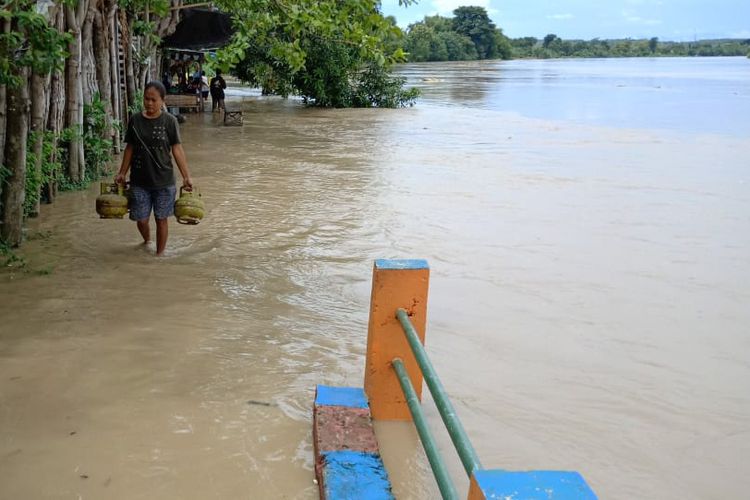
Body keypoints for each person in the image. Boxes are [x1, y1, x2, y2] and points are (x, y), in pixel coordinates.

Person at [114, 81, 193, 256]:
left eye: (153, 100)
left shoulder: (170, 121)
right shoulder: (135, 120)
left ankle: (159, 255)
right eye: (146, 99)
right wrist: (122, 172)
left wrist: (186, 176)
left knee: (161, 219)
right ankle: (147, 240)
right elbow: (130, 148)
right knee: (141, 219)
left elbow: (177, 149)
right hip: (139, 181)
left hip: (164, 181)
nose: (149, 103)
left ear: (162, 101)